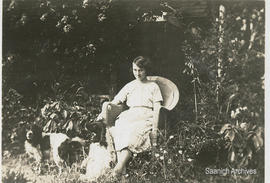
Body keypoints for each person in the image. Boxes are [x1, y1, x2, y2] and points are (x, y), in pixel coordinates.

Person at [106, 56, 163, 177]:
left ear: (146, 70)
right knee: (120, 129)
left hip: (145, 115)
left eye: (140, 70)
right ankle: (122, 169)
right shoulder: (130, 85)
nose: (137, 73)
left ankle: (119, 168)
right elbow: (116, 101)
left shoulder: (153, 86)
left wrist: (155, 127)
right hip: (130, 115)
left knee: (132, 133)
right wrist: (104, 110)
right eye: (135, 70)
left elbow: (157, 108)